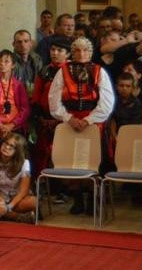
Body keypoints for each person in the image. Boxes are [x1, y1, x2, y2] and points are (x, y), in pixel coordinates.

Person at [49, 36, 114, 215]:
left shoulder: (99, 71)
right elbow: (53, 100)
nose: (81, 53)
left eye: (85, 50)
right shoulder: (62, 71)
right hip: (70, 122)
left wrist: (88, 120)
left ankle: (93, 199)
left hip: (93, 123)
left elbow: (107, 102)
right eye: (77, 50)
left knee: (92, 160)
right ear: (72, 52)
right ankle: (77, 200)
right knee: (72, 161)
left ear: (91, 52)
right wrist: (68, 118)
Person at [30, 37, 70, 177]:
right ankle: (42, 183)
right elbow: (36, 96)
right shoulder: (45, 70)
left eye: (59, 50)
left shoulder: (71, 71)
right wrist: (40, 118)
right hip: (44, 121)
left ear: (68, 54)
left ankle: (63, 185)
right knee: (41, 154)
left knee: (62, 154)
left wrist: (59, 120)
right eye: (53, 49)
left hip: (65, 121)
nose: (55, 53)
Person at [0, 50, 30, 150]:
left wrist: (12, 125)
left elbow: (25, 109)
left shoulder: (18, 84)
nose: (2, 64)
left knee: (16, 155)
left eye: (6, 61)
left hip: (15, 127)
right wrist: (0, 125)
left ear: (13, 65)